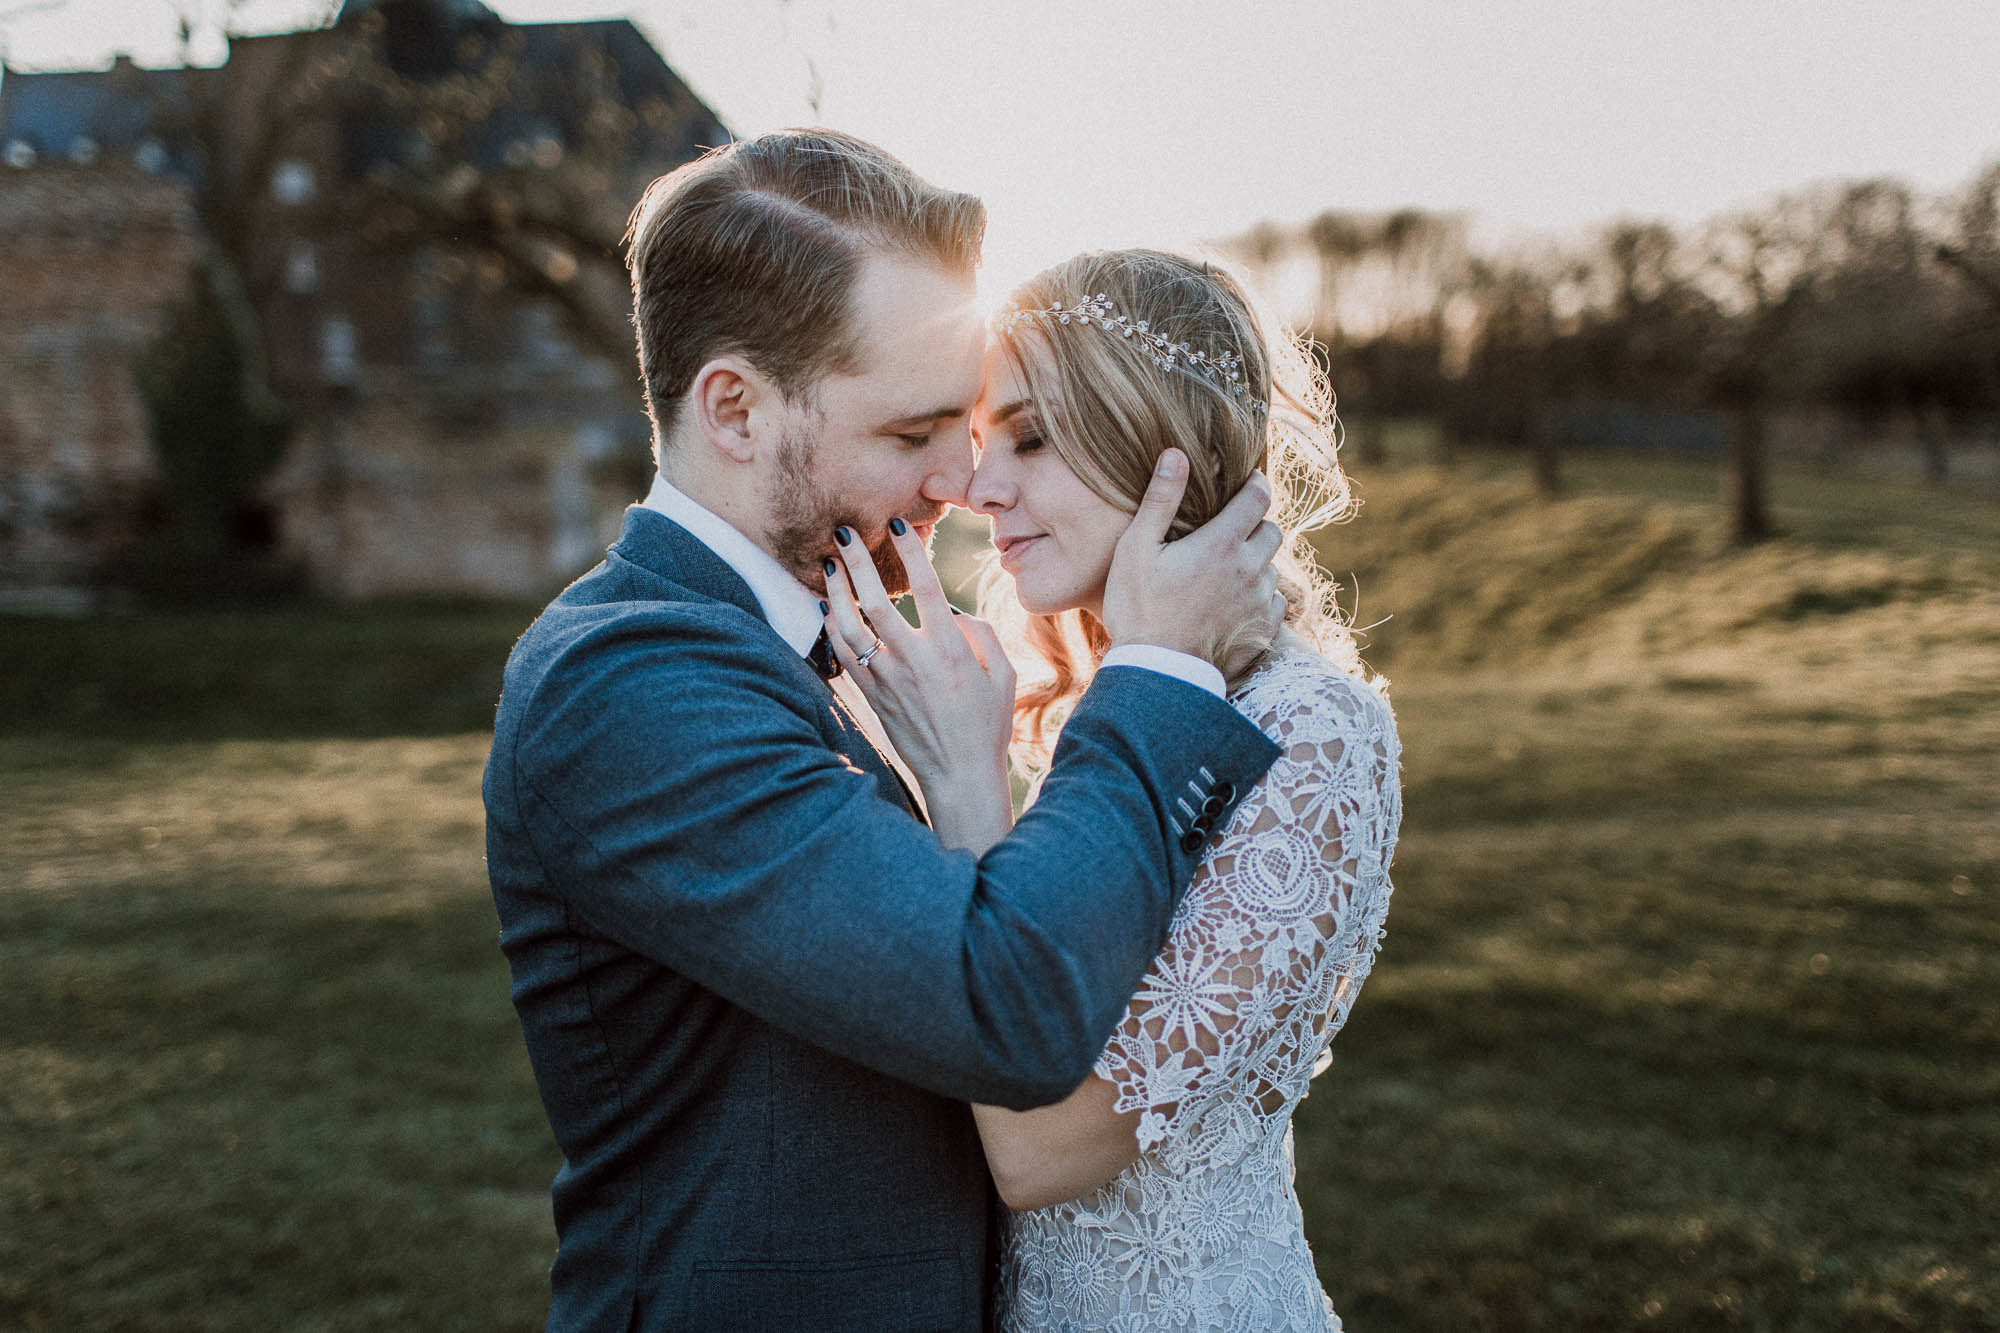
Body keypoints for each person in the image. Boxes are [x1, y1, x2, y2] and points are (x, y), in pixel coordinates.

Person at [482, 130, 1290, 1331]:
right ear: (736, 410)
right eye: (911, 436)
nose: (959, 481)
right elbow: (1001, 1005)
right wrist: (1162, 668)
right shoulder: (627, 682)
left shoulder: (830, 626)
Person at [824, 248, 1403, 1330]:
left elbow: (1040, 1152)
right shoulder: (1100, 708)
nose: (979, 486)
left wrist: (961, 786)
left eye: (1031, 439)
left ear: (1162, 452)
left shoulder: (1312, 738)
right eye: (983, 443)